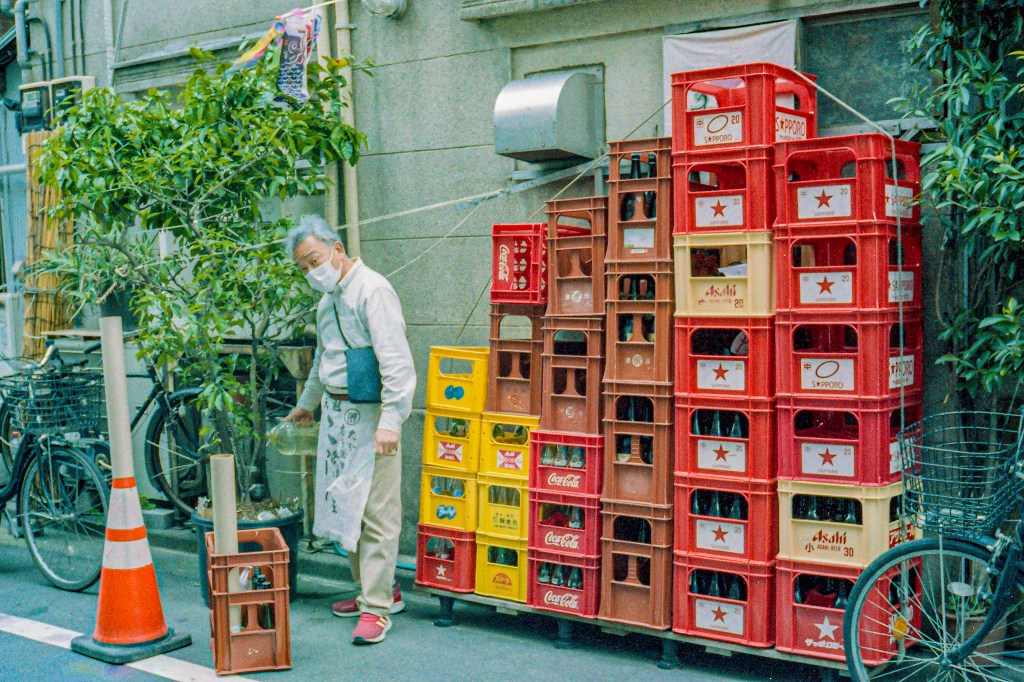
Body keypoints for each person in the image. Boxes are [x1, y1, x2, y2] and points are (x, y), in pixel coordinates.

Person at [283, 215, 416, 645]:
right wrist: (306, 405)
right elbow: (324, 361)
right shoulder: (327, 302)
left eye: (314, 259)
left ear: (337, 248)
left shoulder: (373, 290)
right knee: (349, 507)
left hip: (373, 415)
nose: (311, 271)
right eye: (303, 267)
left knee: (377, 512)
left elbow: (396, 362)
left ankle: (377, 607)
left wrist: (392, 421)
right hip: (339, 416)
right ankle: (372, 592)